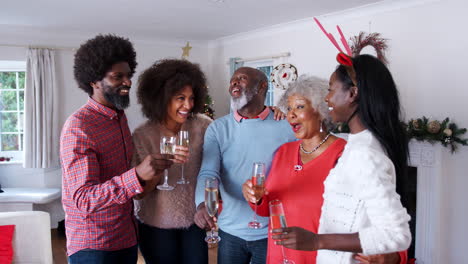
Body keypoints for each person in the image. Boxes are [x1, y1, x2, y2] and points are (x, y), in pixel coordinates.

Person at [272, 54, 411, 264]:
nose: (326, 99)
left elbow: (397, 235)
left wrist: (317, 241)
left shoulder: (365, 154)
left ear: (352, 94)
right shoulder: (357, 146)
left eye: (330, 89)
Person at [60, 34, 173, 264]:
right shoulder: (79, 126)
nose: (128, 82)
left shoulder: (118, 117)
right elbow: (84, 199)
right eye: (117, 76)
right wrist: (137, 175)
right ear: (93, 80)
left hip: (125, 237)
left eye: (128, 75)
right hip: (94, 245)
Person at [194, 67, 297, 264]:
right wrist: (202, 203)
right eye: (233, 80)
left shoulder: (285, 126)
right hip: (230, 230)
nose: (234, 82)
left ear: (262, 86)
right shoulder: (218, 128)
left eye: (241, 79)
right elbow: (209, 172)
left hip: (271, 230)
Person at [242, 75, 346, 264]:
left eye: (299, 107)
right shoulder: (283, 152)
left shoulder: (343, 154)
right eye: (289, 108)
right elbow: (268, 209)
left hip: (322, 257)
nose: (290, 114)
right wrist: (256, 197)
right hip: (279, 255)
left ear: (320, 110)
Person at [132, 59, 212, 264]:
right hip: (155, 226)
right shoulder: (143, 135)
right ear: (161, 98)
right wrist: (160, 168)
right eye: (180, 98)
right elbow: (140, 193)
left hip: (194, 223)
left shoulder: (203, 127)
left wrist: (269, 114)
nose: (188, 105)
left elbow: (221, 160)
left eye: (192, 98)